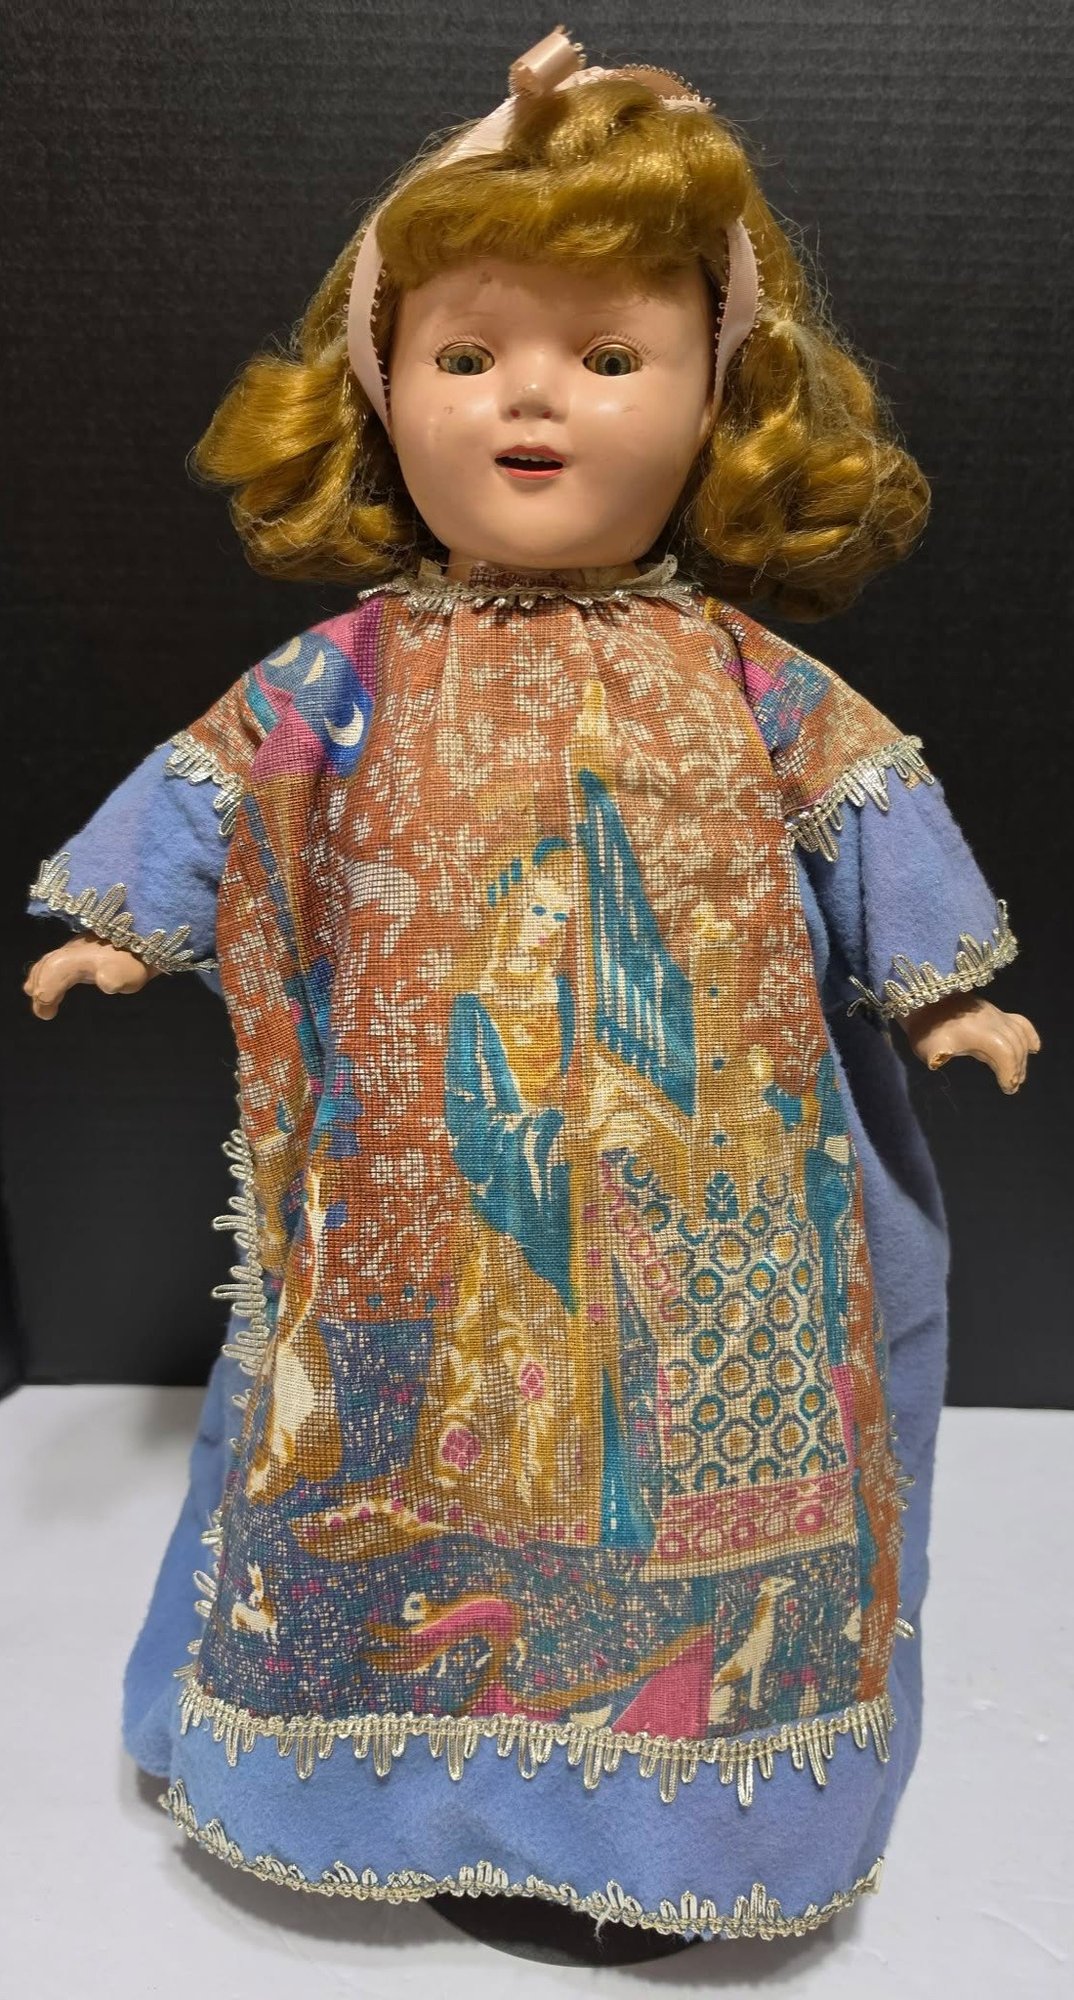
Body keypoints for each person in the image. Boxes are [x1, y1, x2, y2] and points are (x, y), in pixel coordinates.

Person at [22, 27, 1039, 1948]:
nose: (530, 400)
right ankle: (383, 1769)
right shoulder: (351, 672)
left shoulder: (740, 677)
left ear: (718, 401)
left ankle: (683, 1824)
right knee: (394, 1449)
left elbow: (867, 804)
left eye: (608, 356)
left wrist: (938, 994)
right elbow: (217, 780)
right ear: (379, 392)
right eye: (467, 354)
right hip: (424, 1189)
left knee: (686, 1472)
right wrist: (121, 923)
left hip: (704, 1184)